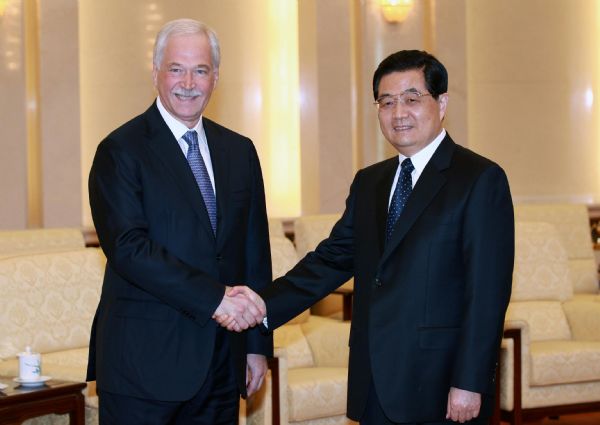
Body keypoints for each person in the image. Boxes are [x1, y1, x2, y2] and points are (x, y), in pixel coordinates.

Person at [222, 50, 514, 424]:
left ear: (441, 104)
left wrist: (471, 382)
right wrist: (262, 306)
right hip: (374, 379)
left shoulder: (478, 179)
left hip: (440, 384)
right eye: (386, 102)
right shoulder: (370, 182)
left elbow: (487, 293)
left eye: (412, 99)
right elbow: (331, 260)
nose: (398, 113)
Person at [86, 18, 271, 425]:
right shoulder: (120, 151)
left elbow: (253, 251)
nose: (188, 82)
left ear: (216, 78)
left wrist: (257, 344)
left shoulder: (240, 152)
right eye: (176, 69)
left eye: (200, 70)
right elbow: (129, 249)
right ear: (155, 73)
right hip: (143, 366)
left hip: (222, 364)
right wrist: (216, 299)